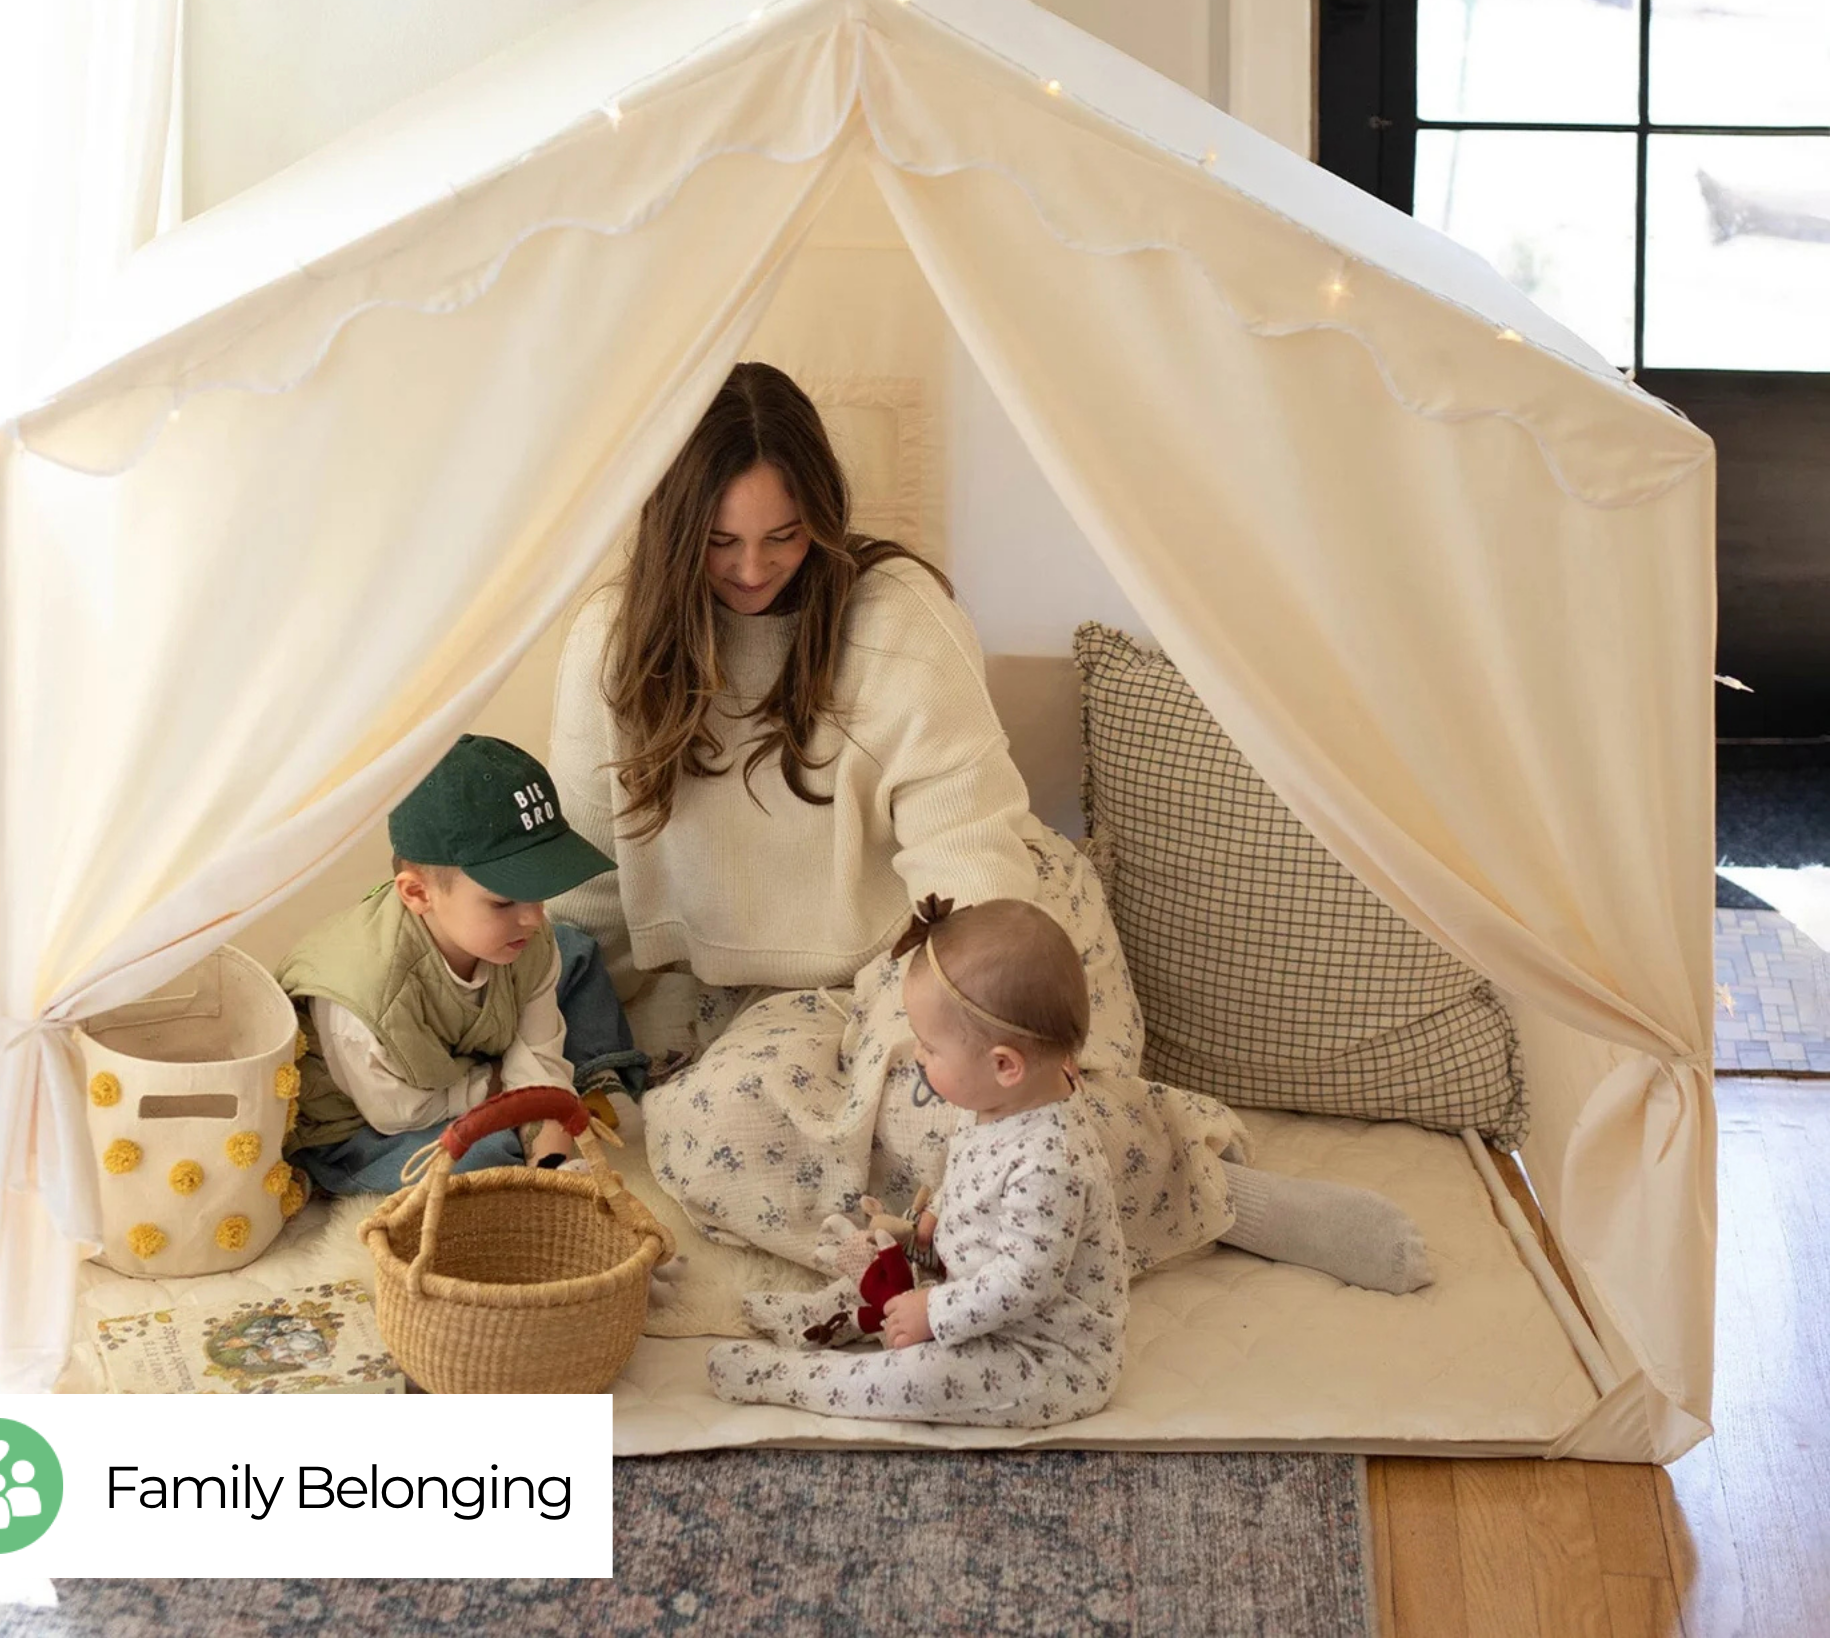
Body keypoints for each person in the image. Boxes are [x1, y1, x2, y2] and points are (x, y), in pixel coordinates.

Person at [550, 362, 1429, 1293]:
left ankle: (1225, 1196)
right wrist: (533, 1020)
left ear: (824, 517)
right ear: (673, 529)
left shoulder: (894, 616)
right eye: (720, 542)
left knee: (972, 1101)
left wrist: (965, 1019)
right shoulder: (610, 644)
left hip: (949, 938)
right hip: (768, 997)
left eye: (785, 535)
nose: (753, 568)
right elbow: (587, 877)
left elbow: (966, 850)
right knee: (702, 1131)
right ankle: (916, 1258)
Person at [706, 897, 1126, 1427]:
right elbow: (977, 1169)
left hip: (1042, 1355)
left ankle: (790, 1379)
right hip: (969, 1292)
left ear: (1004, 1065)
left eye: (930, 1047)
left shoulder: (1051, 1162)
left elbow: (1026, 1282)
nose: (919, 1055)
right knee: (886, 1276)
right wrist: (938, 1215)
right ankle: (824, 1317)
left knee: (917, 1379)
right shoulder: (1012, 1096)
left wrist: (934, 1312)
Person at [277, 734, 646, 1196]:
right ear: (418, 894)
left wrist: (548, 1138)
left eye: (539, 891)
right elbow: (399, 1113)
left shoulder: (526, 936)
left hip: (461, 1054)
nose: (533, 917)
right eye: (504, 901)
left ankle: (597, 1075)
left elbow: (538, 1058)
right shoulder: (366, 999)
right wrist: (501, 1083)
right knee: (482, 1158)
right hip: (370, 1123)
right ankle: (520, 1111)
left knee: (575, 951)